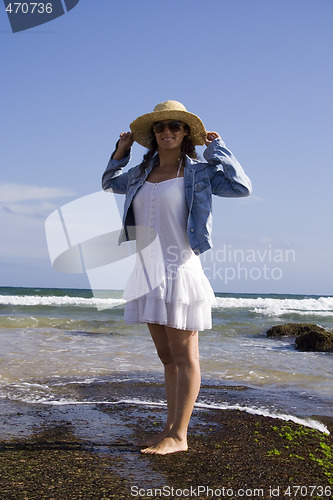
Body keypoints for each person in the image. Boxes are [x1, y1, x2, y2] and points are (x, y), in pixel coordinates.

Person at [102, 100, 252, 455]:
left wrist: (220, 149)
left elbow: (241, 186)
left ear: (185, 133)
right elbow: (110, 182)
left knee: (186, 357)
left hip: (179, 266)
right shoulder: (140, 173)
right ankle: (168, 430)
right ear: (153, 135)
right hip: (147, 270)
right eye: (160, 127)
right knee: (167, 357)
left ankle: (180, 437)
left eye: (175, 126)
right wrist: (120, 151)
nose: (167, 131)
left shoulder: (199, 172)